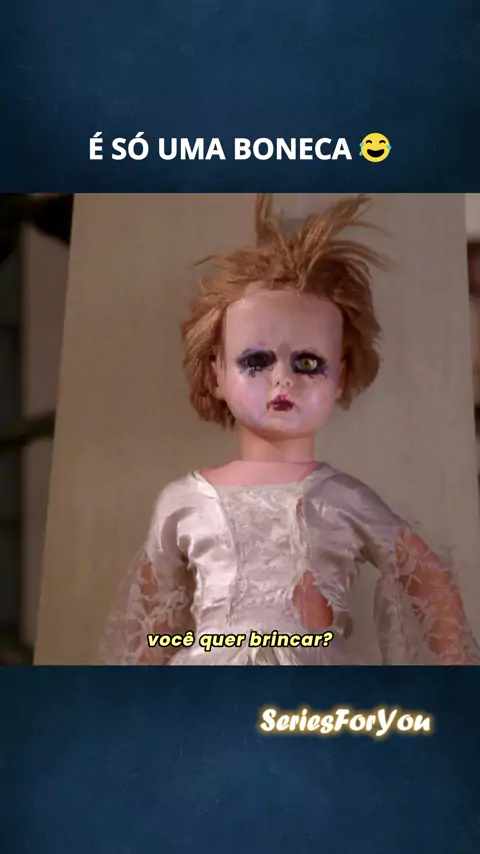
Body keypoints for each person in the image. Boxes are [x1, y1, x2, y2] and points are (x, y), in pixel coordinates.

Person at [99, 194, 479, 666]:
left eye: (308, 363)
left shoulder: (342, 498)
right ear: (216, 372)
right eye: (256, 361)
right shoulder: (182, 502)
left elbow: (428, 579)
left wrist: (452, 674)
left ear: (339, 375)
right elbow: (154, 623)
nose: (282, 380)